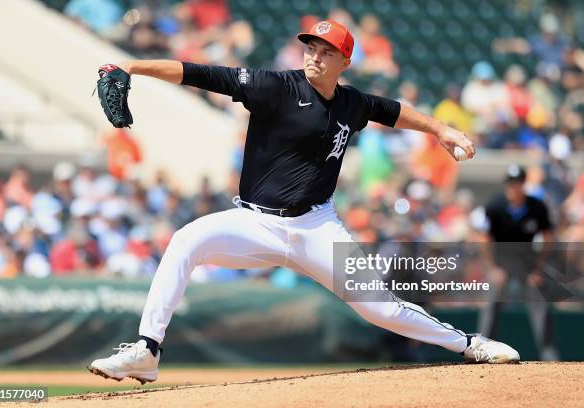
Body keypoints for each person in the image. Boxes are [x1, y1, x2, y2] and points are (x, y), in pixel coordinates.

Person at [88, 19, 519, 384]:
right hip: (256, 224)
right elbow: (201, 73)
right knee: (185, 240)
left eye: (326, 51)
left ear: (345, 62)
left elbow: (394, 111)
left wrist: (442, 129)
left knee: (381, 308)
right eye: (311, 47)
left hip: (318, 227)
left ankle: (470, 344)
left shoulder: (351, 103)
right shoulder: (273, 86)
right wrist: (132, 66)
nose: (314, 55)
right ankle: (147, 350)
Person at [480, 165, 557, 360]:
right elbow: (484, 238)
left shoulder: (536, 207)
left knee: (540, 298)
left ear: (524, 184)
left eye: (517, 183)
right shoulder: (495, 205)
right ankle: (483, 348)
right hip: (502, 262)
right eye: (510, 183)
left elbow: (548, 237)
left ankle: (548, 352)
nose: (513, 187)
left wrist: (539, 270)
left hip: (527, 261)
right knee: (491, 302)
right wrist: (493, 269)